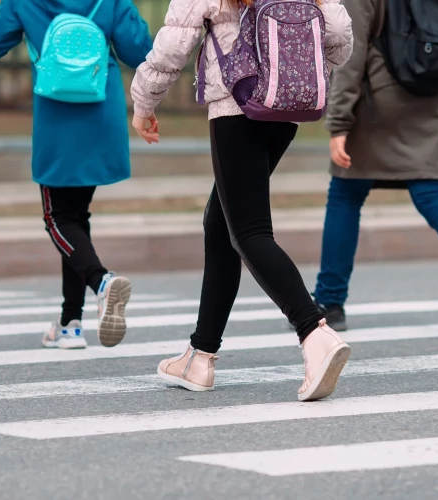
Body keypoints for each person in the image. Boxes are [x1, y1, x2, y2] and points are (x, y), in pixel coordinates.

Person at [130, 0, 355, 401]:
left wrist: (144, 101)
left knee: (249, 231)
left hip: (238, 102)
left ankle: (313, 333)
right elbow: (339, 40)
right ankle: (200, 356)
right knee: (220, 224)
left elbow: (175, 42)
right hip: (287, 106)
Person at [315, 0, 438, 337]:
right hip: (428, 92)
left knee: (345, 193)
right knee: (432, 192)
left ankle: (329, 301)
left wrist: (339, 122)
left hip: (378, 103)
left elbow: (350, 54)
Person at [0, 0, 152, 349]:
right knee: (74, 218)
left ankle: (101, 282)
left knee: (57, 219)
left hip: (57, 117)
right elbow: (140, 51)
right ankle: (70, 323)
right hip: (101, 114)